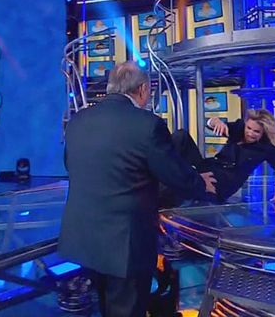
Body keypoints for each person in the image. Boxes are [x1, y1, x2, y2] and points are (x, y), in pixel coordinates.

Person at [59, 61, 216, 317]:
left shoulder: (78, 120)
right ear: (142, 89)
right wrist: (200, 184)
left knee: (105, 306)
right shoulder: (147, 124)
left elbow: (71, 165)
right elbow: (172, 172)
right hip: (124, 246)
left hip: (84, 240)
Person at [171, 109, 275, 207]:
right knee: (181, 136)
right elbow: (212, 125)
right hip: (207, 168)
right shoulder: (239, 128)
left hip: (222, 183)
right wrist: (215, 121)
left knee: (180, 190)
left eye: (256, 131)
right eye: (248, 128)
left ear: (264, 133)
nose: (250, 133)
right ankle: (163, 170)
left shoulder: (266, 148)